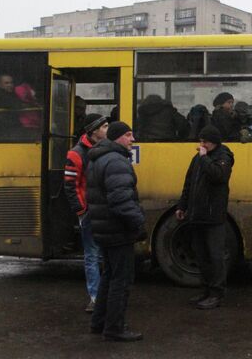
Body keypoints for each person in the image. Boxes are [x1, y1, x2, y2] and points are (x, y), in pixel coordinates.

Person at [87, 121, 146, 342]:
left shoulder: (98, 158)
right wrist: (139, 223)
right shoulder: (116, 161)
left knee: (109, 277)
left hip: (104, 229)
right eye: (129, 135)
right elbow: (121, 201)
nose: (133, 140)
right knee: (121, 280)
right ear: (118, 137)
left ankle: (99, 322)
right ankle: (114, 328)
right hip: (117, 231)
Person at [176, 125, 235, 310]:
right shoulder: (198, 158)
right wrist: (182, 206)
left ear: (214, 142)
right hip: (197, 214)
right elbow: (189, 183)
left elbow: (218, 176)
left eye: (205, 142)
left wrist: (203, 158)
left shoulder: (223, 156)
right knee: (201, 255)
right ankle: (206, 289)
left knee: (215, 255)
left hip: (213, 216)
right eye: (200, 141)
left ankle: (217, 293)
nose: (201, 145)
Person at [64, 114, 109, 313]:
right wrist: (82, 211)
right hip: (90, 212)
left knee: (106, 254)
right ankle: (95, 297)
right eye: (105, 126)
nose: (108, 129)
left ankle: (106, 294)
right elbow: (70, 186)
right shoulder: (76, 153)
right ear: (93, 131)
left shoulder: (106, 148)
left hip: (105, 210)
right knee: (92, 255)